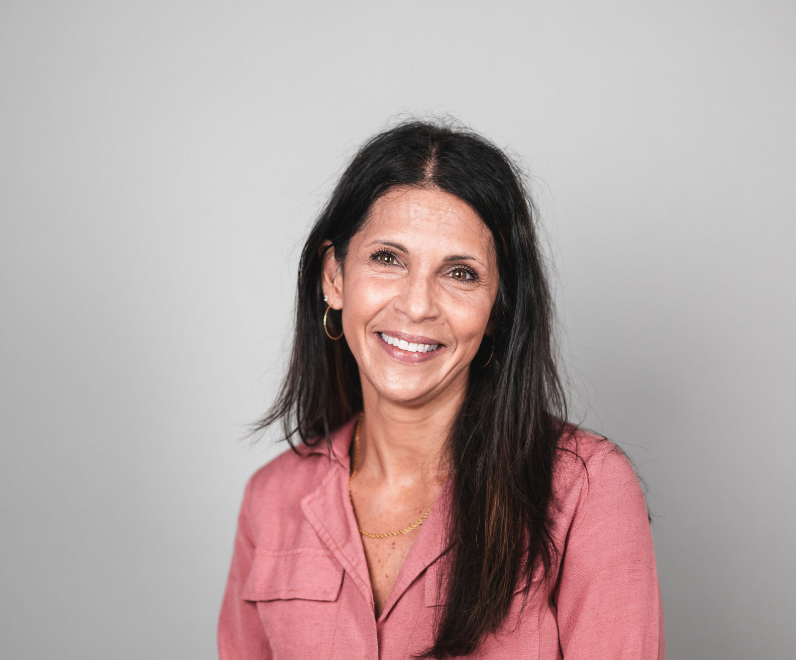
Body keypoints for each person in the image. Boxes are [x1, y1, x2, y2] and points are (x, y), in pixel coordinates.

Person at [218, 120, 665, 659]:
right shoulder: (271, 500)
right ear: (334, 277)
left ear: (499, 308)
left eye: (460, 273)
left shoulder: (586, 491)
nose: (417, 305)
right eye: (388, 259)